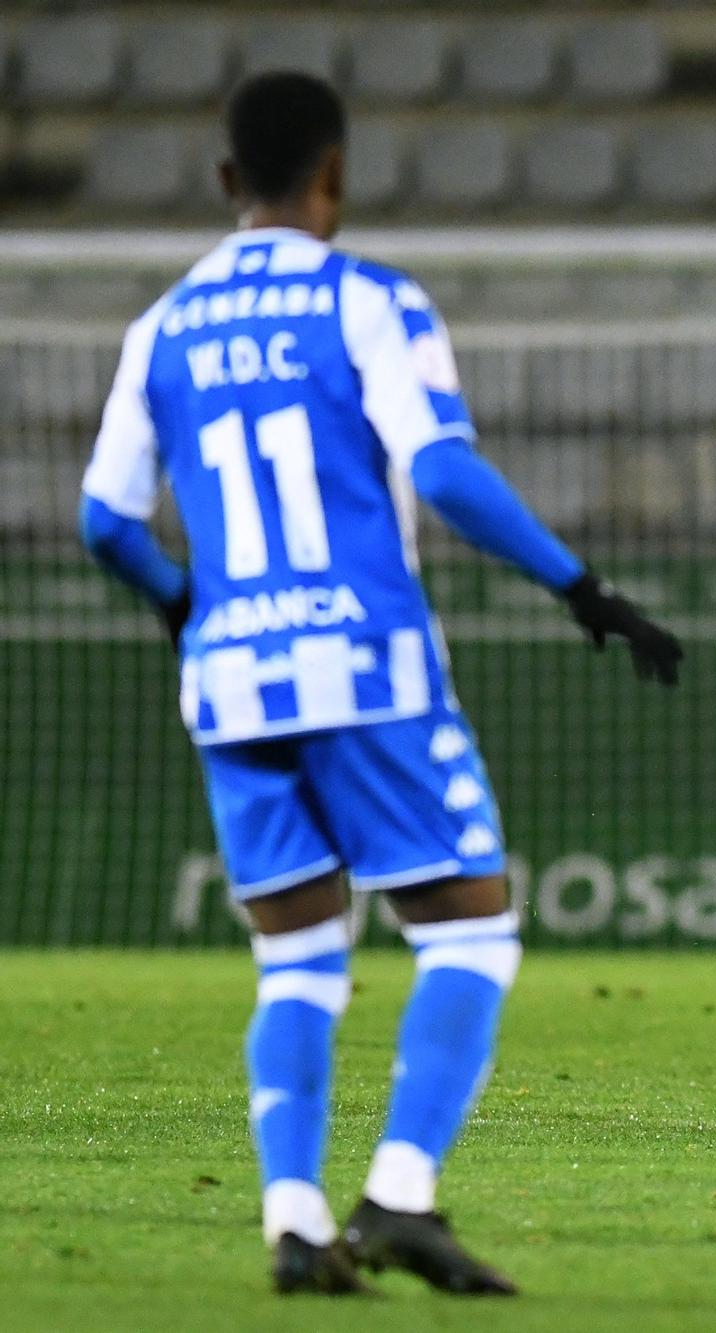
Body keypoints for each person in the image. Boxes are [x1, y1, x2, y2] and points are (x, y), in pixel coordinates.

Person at [78, 71, 681, 1295]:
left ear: (225, 182)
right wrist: (582, 589)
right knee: (472, 929)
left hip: (234, 683)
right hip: (365, 668)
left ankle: (294, 1225)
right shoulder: (369, 304)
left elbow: (100, 520)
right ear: (335, 175)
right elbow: (447, 477)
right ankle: (400, 1195)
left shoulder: (162, 328)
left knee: (297, 962)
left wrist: (187, 603)